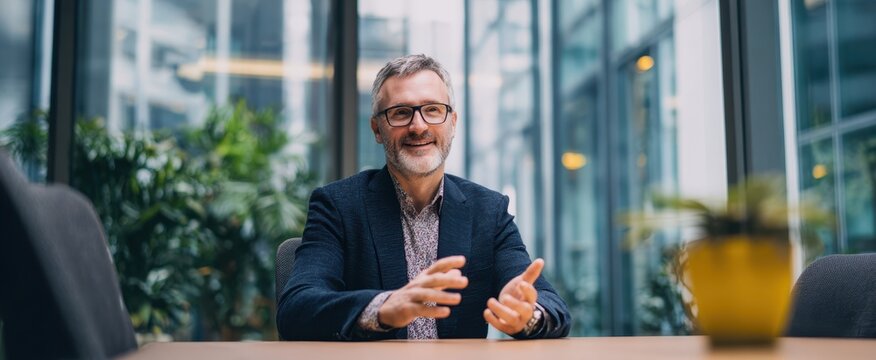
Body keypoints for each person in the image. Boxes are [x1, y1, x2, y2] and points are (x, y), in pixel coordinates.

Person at [277, 54, 570, 340]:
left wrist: (527, 315)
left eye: (432, 109)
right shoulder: (337, 206)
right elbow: (296, 308)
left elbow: (549, 304)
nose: (418, 126)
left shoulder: (489, 211)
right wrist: (382, 308)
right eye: (401, 112)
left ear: (452, 122)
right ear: (377, 129)